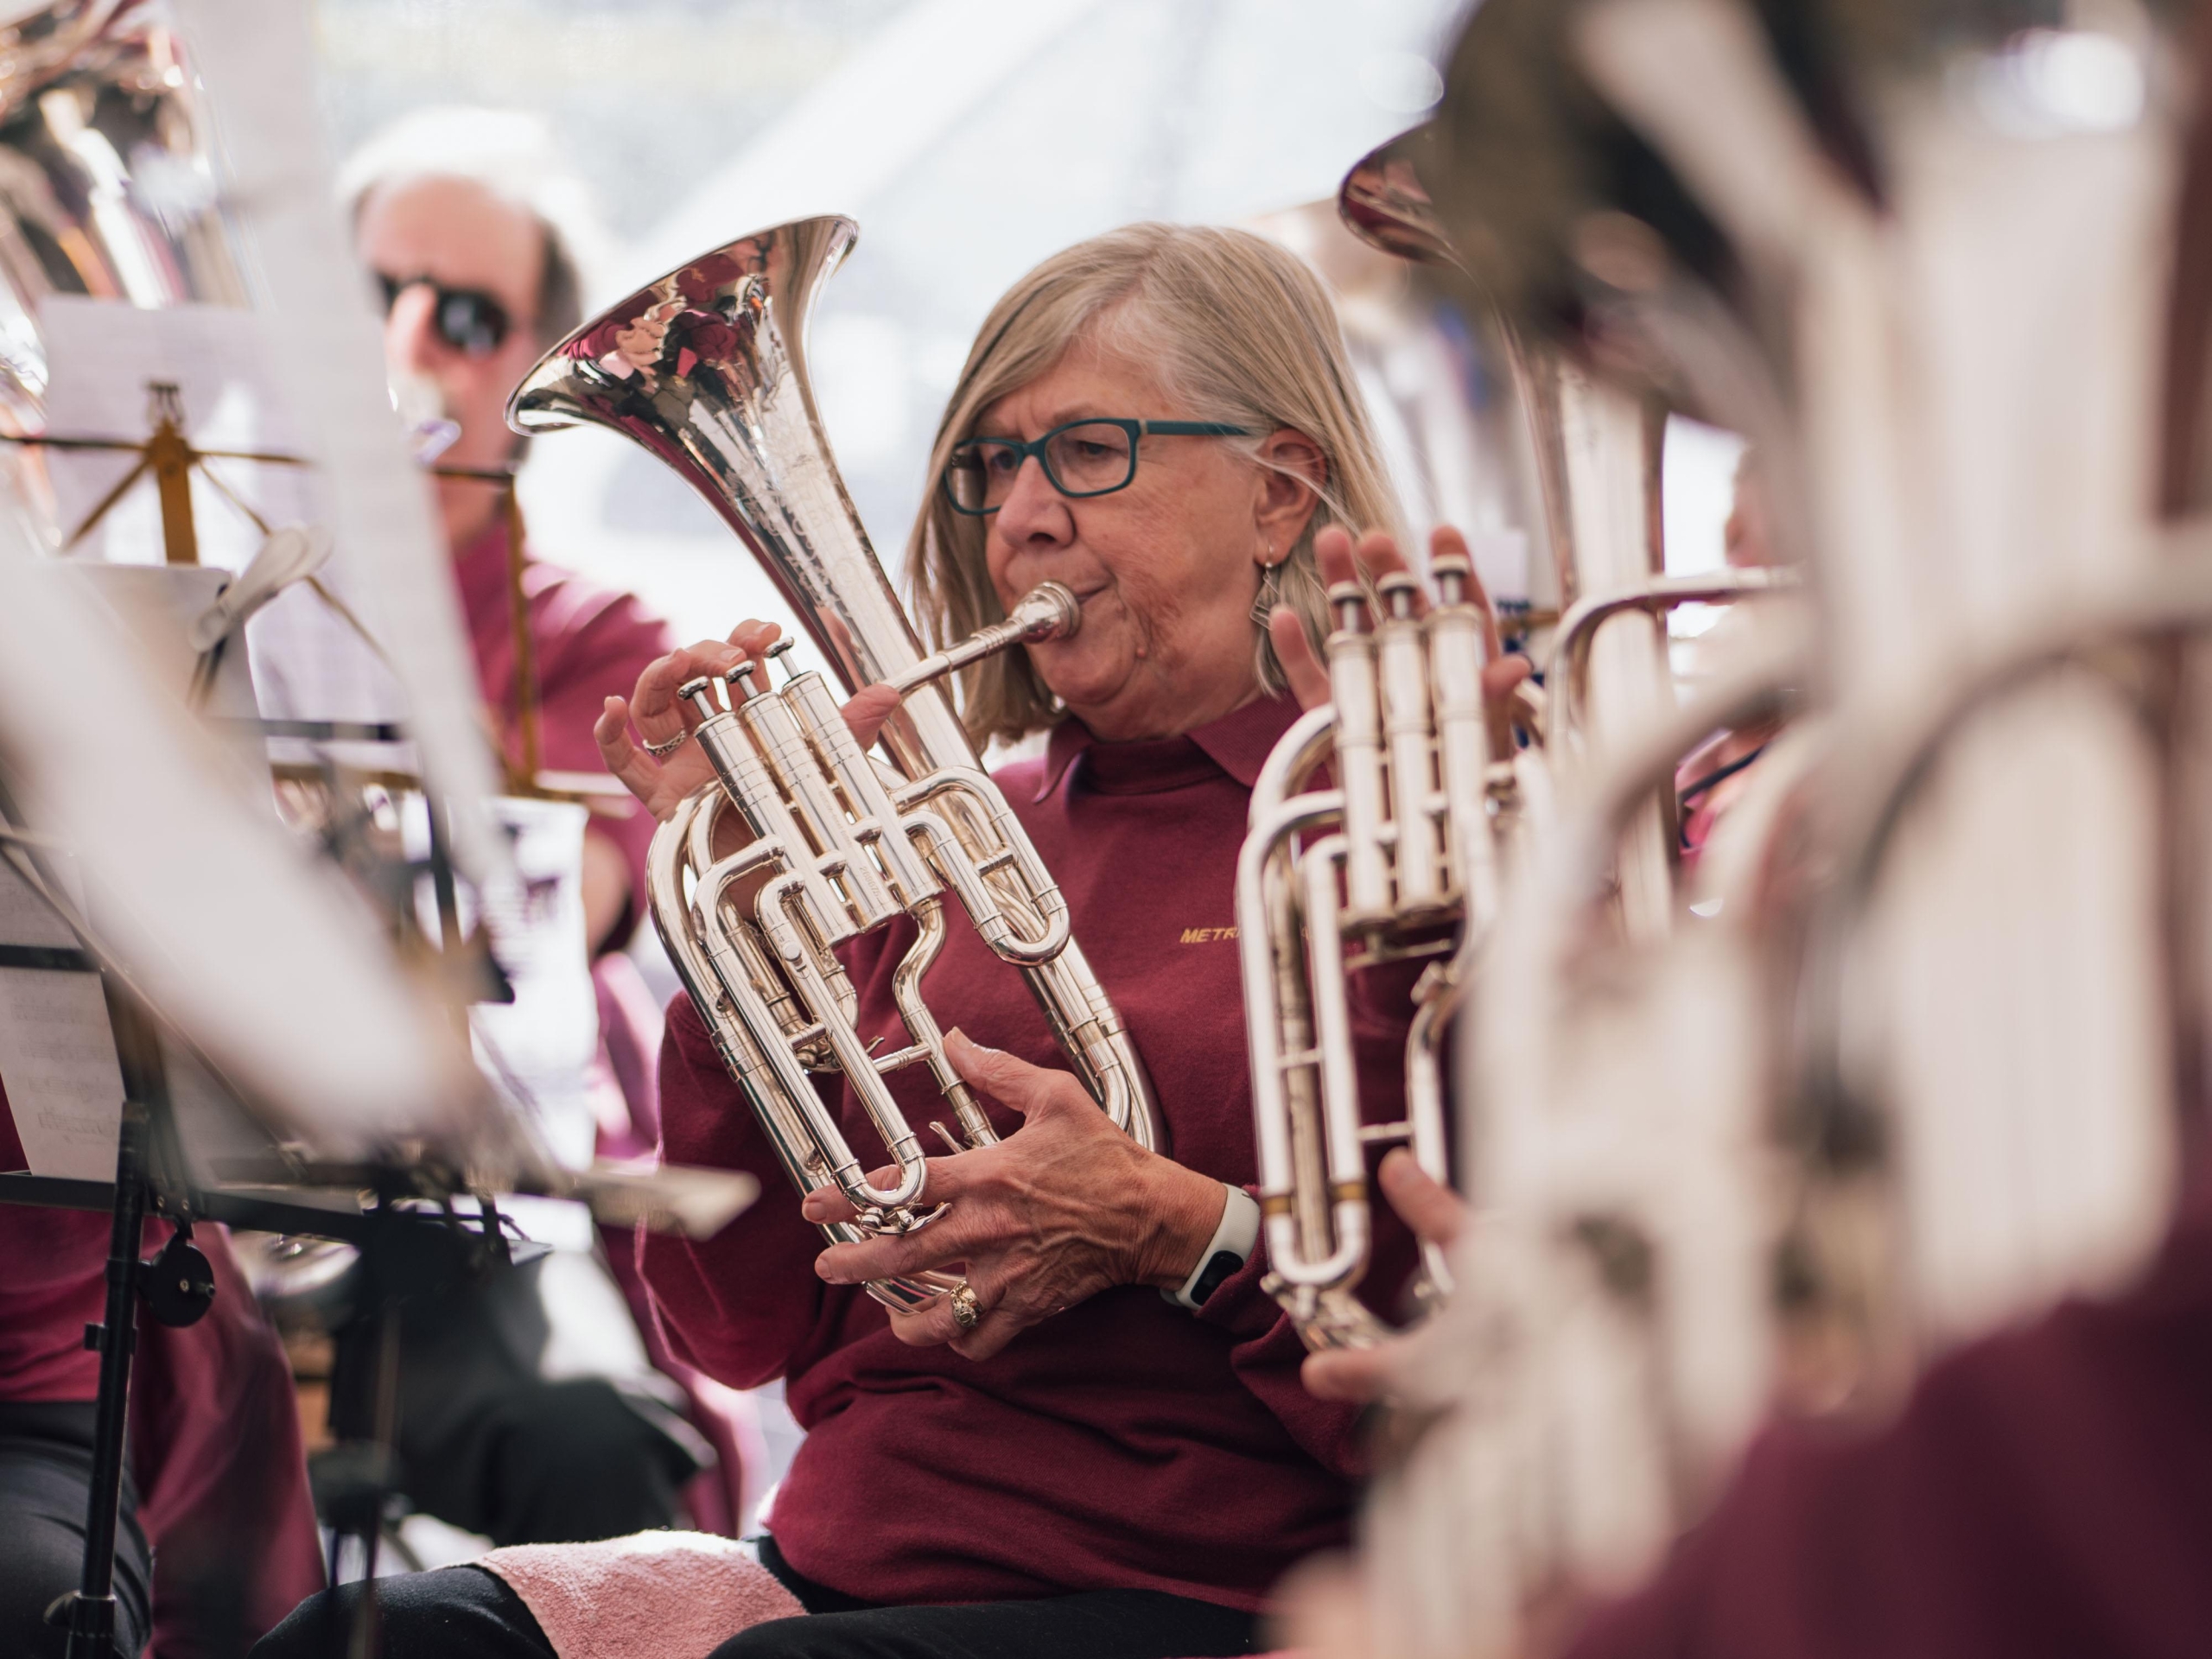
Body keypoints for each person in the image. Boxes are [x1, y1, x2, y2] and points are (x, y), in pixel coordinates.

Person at [255, 221, 1528, 1659]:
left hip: (1232, 1594)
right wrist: (732, 937)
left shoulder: (1398, 824)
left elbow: (1518, 1376)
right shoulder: (945, 826)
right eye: (993, 464)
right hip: (841, 1571)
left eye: (1090, 451)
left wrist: (1181, 1229)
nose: (1022, 519)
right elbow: (736, 1335)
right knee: (363, 1642)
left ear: (1281, 492)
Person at [333, 108, 749, 1546]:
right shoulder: (179, 587)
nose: (403, 349)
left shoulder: (598, 638)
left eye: (461, 317)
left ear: (530, 370)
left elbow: (544, 901)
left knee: (582, 1440)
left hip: (469, 1195)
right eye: (365, 299)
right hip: (178, 1201)